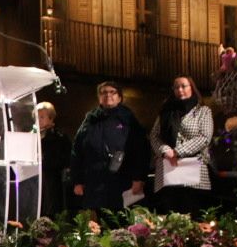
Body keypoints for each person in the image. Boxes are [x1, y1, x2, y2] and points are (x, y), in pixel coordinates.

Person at [70, 81, 150, 212]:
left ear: (119, 97)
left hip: (122, 181)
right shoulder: (90, 120)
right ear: (99, 97)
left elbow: (141, 150)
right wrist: (77, 180)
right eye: (104, 92)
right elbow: (77, 151)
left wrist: (139, 178)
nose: (108, 95)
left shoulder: (128, 119)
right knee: (98, 225)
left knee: (122, 223)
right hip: (95, 183)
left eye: (112, 92)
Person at [148, 74, 217, 214]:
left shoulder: (203, 111)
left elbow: (204, 137)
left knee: (193, 210)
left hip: (194, 168)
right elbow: (154, 136)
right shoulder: (165, 112)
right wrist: (165, 150)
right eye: (176, 87)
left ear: (192, 88)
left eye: (183, 86)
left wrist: (178, 151)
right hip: (169, 169)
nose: (180, 90)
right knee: (170, 212)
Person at [36, 101, 71, 217]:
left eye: (42, 117)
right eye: (36, 117)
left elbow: (65, 159)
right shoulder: (32, 135)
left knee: (51, 212)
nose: (38, 120)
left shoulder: (59, 136)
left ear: (51, 119)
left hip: (52, 181)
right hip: (34, 180)